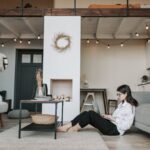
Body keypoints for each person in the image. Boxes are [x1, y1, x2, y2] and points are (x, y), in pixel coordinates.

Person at [57, 84, 138, 135]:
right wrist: (107, 117)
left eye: (119, 94)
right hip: (111, 124)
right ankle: (69, 126)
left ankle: (73, 128)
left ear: (126, 94)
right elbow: (117, 118)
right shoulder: (122, 104)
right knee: (86, 112)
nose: (117, 96)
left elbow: (126, 126)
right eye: (117, 94)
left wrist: (112, 118)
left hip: (115, 130)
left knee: (91, 114)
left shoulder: (129, 107)